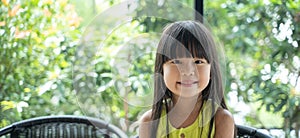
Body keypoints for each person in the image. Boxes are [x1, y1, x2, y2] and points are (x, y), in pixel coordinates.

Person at [139, 20, 235, 138]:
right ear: (161, 70)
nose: (188, 71)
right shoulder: (149, 122)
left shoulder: (221, 120)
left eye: (198, 62)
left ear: (211, 70)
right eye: (177, 62)